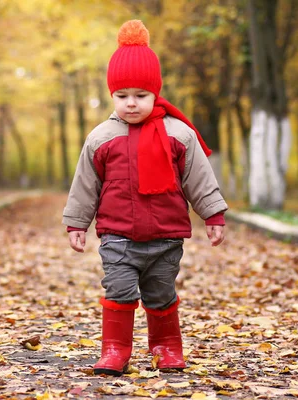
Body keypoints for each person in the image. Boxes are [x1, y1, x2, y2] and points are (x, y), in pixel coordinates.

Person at [62, 20, 228, 376]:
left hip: (165, 237)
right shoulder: (102, 137)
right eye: (122, 96)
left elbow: (198, 178)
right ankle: (115, 350)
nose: (131, 104)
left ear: (156, 93)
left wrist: (213, 215)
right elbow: (86, 183)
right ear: (112, 96)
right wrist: (77, 222)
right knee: (119, 290)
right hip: (118, 236)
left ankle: (166, 347)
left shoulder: (178, 133)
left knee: (160, 294)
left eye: (140, 95)